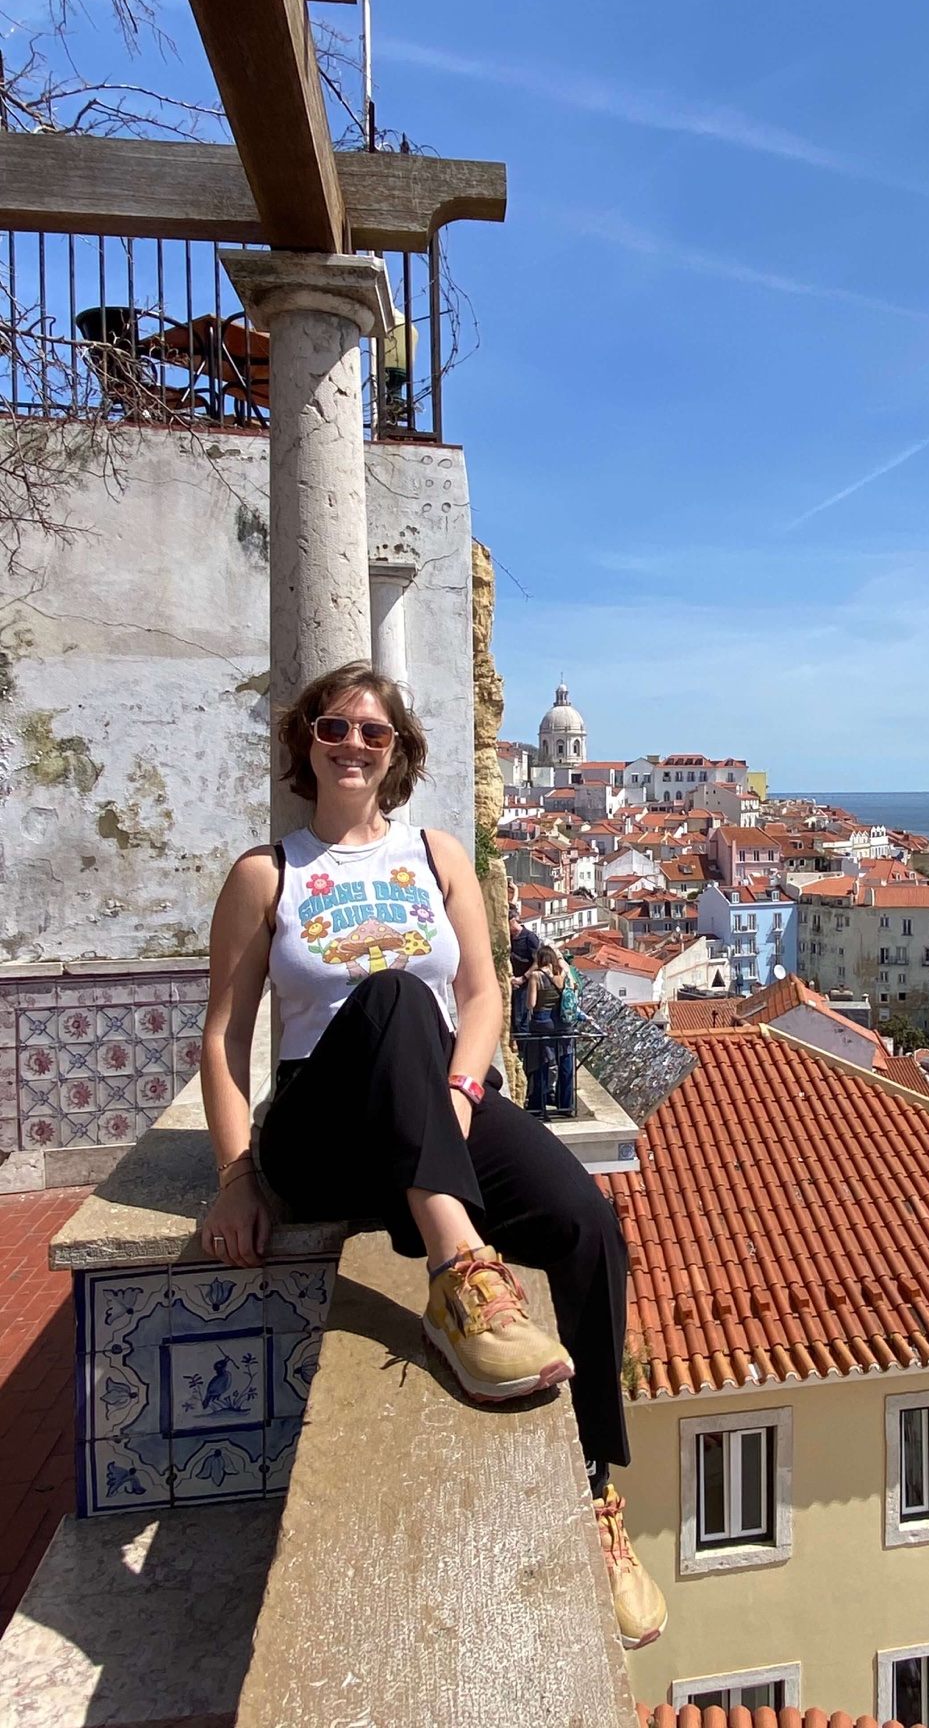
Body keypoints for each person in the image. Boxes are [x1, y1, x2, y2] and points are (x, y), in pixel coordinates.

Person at [198, 661, 665, 1649]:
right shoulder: (267, 872)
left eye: (374, 732)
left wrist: (459, 1093)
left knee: (585, 1223)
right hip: (324, 1128)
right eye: (335, 728)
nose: (354, 745)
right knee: (396, 997)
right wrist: (236, 1176)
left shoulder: (438, 854)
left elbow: (488, 996)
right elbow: (224, 1032)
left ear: (401, 749)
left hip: (441, 1105)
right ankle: (460, 1282)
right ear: (306, 744)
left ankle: (594, 1493)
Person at [524, 943, 577, 1117]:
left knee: (541, 1064)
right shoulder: (562, 973)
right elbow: (574, 988)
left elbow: (530, 1004)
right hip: (564, 1023)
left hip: (542, 1023)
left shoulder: (536, 976)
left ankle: (538, 1106)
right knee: (566, 1063)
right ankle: (566, 1105)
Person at [508, 902, 541, 1041]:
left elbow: (538, 961)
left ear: (513, 921)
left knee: (521, 1018)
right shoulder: (509, 939)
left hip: (525, 984)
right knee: (513, 1017)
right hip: (512, 982)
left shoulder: (529, 937)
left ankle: (525, 1053)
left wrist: (523, 978)